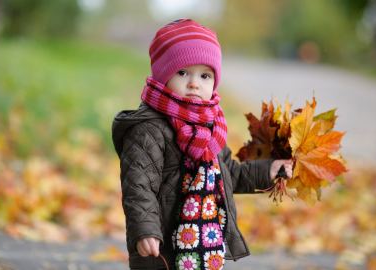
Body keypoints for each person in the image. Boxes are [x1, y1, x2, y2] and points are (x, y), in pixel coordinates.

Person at [112, 19, 293, 270]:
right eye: (183, 72)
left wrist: (268, 171)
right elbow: (138, 185)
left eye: (205, 75)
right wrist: (145, 230)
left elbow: (228, 173)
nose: (194, 83)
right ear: (163, 75)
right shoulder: (148, 129)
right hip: (162, 243)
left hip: (203, 243)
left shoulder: (210, 128)